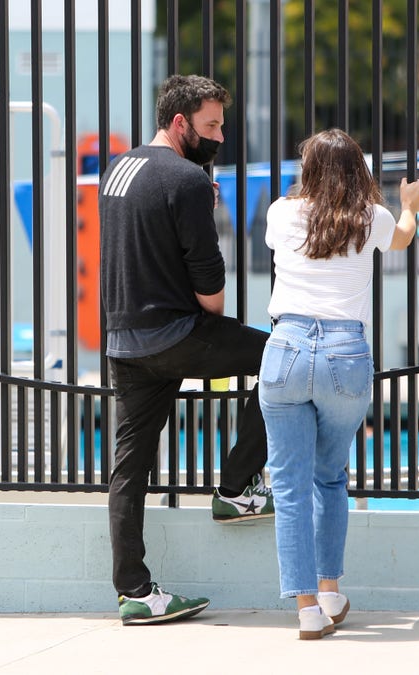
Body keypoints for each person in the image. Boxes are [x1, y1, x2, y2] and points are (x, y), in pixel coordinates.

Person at [99, 74, 275, 626]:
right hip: (177, 335)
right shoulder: (188, 181)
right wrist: (204, 204)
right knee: (284, 358)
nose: (220, 135)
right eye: (212, 125)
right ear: (181, 124)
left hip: (123, 341)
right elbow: (213, 296)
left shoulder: (119, 169)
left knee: (129, 466)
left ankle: (134, 590)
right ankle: (236, 489)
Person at [260, 128, 419, 640]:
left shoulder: (280, 212)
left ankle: (308, 609)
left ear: (308, 168)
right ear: (358, 167)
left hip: (285, 347)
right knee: (330, 479)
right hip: (344, 353)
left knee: (288, 487)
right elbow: (401, 238)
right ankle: (331, 591)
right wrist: (410, 205)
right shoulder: (370, 218)